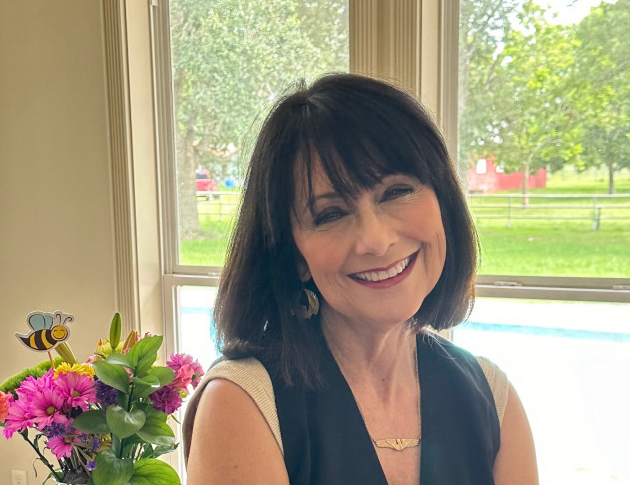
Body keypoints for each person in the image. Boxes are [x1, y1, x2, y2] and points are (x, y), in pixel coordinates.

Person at [183, 73, 538, 484]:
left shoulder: (494, 398)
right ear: (295, 256)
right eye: (330, 214)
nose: (376, 241)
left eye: (396, 191)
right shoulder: (244, 402)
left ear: (443, 199)